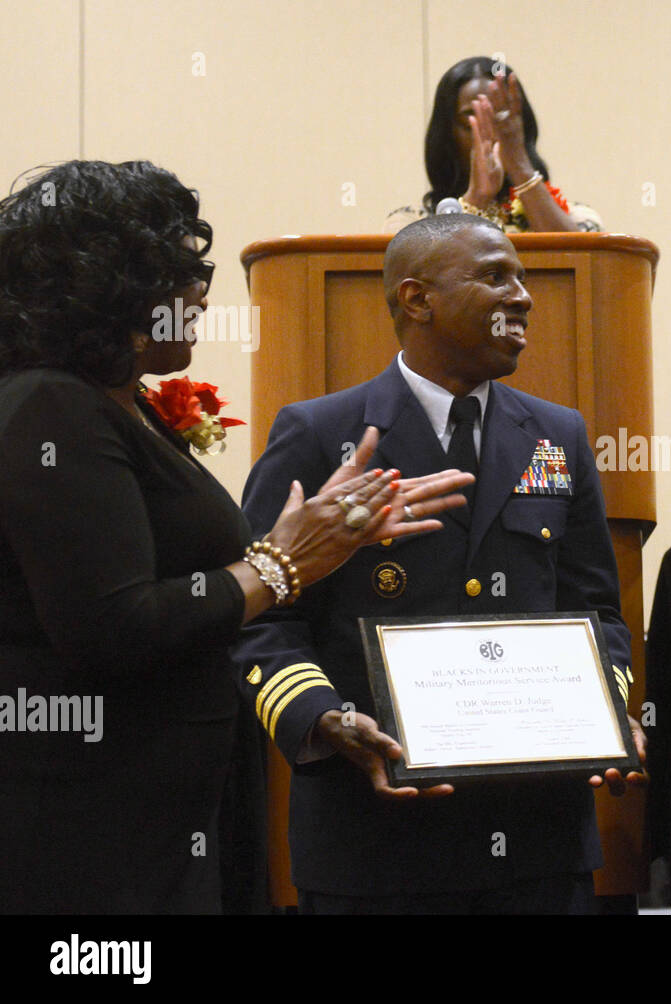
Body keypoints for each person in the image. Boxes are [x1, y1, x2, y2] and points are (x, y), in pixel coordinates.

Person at [0, 160, 471, 913]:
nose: (202, 292)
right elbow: (115, 626)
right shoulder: (49, 409)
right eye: (183, 269)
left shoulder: (123, 406)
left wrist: (325, 541)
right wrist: (282, 565)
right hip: (84, 829)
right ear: (112, 284)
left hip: (158, 815)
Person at [234, 213, 643, 914]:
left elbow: (597, 609)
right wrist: (321, 715)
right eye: (495, 276)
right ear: (418, 299)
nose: (523, 297)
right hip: (376, 843)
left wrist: (603, 707)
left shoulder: (558, 435)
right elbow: (264, 618)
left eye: (522, 277)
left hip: (538, 844)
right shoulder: (320, 433)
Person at [384, 56, 600, 234]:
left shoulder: (580, 216)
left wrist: (520, 168)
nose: (491, 134)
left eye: (501, 120)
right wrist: (476, 199)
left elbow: (581, 260)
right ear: (447, 134)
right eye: (472, 120)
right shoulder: (407, 224)